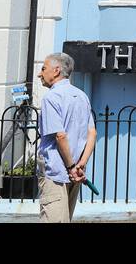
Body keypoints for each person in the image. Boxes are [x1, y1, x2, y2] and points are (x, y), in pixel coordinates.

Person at [36, 52, 96, 223]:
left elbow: (60, 135)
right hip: (75, 172)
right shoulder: (82, 96)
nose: (40, 73)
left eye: (43, 68)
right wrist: (80, 165)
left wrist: (71, 167)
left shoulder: (51, 97)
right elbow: (92, 133)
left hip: (56, 172)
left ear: (56, 71)